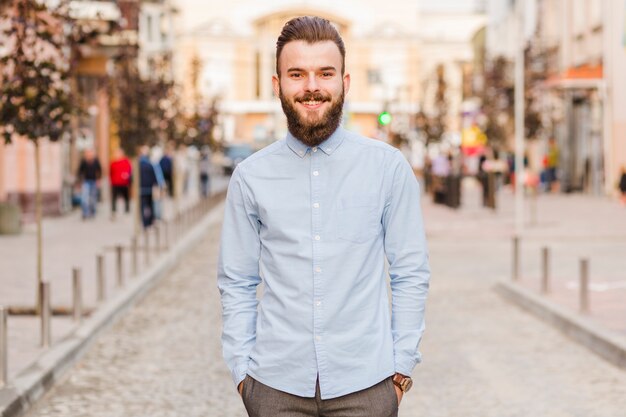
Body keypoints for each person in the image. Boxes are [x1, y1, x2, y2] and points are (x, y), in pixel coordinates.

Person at [217, 16, 430, 417]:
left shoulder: (387, 168)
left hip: (367, 386)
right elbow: (237, 280)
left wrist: (401, 370)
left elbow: (410, 271)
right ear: (278, 84)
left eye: (324, 73)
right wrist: (243, 373)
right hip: (274, 386)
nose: (311, 86)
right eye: (296, 74)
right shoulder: (249, 177)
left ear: (345, 83)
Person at [138, 145, 161, 228]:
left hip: (141, 189)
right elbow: (154, 178)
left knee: (143, 206)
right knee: (149, 205)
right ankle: (149, 221)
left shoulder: (138, 165)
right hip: (149, 189)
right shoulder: (149, 164)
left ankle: (145, 222)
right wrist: (156, 185)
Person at [76, 148, 102, 219]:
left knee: (93, 198)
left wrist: (99, 179)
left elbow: (99, 170)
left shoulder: (96, 161)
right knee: (84, 198)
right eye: (88, 153)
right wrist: (80, 181)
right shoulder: (84, 161)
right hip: (86, 181)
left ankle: (92, 212)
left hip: (93, 181)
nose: (89, 155)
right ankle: (85, 213)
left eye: (90, 153)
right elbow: (79, 171)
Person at [109, 148, 132, 219]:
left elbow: (129, 170)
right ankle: (114, 210)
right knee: (114, 197)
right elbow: (111, 172)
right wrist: (111, 181)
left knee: (126, 196)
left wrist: (127, 176)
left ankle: (127, 209)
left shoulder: (126, 161)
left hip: (124, 183)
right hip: (115, 183)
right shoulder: (113, 162)